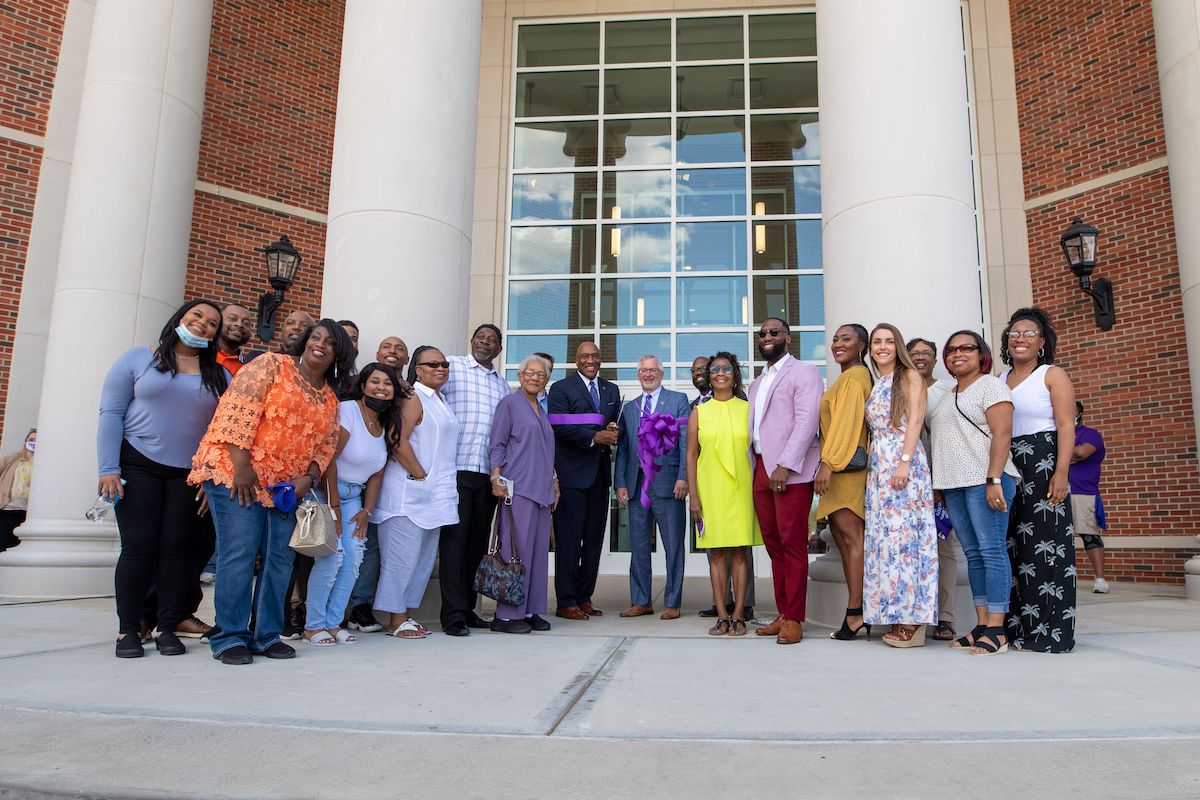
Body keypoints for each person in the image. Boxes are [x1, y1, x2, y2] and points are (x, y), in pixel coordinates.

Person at [189, 319, 351, 665]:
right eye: (315, 337)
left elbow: (325, 446)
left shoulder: (330, 399)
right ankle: (230, 636)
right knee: (240, 553)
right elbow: (235, 412)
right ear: (306, 341)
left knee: (280, 558)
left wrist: (308, 477)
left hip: (285, 489)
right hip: (236, 472)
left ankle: (265, 635)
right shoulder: (271, 365)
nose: (319, 344)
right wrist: (242, 467)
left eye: (330, 343)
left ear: (340, 354)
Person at [100, 300, 230, 659]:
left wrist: (211, 477)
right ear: (180, 320)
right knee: (138, 548)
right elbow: (111, 412)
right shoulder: (137, 359)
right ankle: (128, 629)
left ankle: (167, 626)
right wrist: (107, 468)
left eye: (211, 324)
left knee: (177, 551)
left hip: (189, 474)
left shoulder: (220, 376)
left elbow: (224, 433)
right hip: (136, 464)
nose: (203, 325)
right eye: (196, 317)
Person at [928, 331, 1020, 656]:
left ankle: (997, 628)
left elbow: (1003, 432)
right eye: (951, 350)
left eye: (966, 347)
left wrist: (995, 478)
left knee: (992, 550)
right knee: (974, 554)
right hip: (953, 485)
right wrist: (938, 488)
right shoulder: (946, 395)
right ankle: (982, 624)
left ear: (981, 353)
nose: (957, 354)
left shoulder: (991, 385)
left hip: (986, 480)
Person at [303, 363, 397, 646]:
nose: (381, 387)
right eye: (375, 381)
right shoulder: (349, 410)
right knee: (331, 559)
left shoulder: (384, 424)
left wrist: (367, 511)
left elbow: (378, 472)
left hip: (355, 496)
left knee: (354, 561)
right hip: (327, 492)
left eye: (388, 383)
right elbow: (328, 458)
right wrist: (334, 507)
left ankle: (332, 624)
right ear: (363, 384)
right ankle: (312, 626)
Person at [1000, 307, 1077, 653]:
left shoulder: (1052, 374)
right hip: (1008, 465)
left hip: (1044, 463)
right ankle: (1017, 629)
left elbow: (1065, 426)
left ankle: (1050, 633)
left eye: (1029, 333)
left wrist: (1061, 472)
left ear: (1042, 342)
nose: (1021, 339)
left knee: (1047, 549)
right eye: (1015, 333)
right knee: (1014, 546)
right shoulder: (999, 380)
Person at [373, 347, 460, 639]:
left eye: (445, 364)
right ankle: (396, 619)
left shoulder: (440, 399)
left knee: (421, 559)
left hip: (434, 494)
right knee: (402, 558)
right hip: (408, 492)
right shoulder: (413, 397)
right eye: (433, 363)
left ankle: (405, 616)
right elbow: (397, 440)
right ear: (418, 369)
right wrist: (420, 475)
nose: (441, 368)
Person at [862, 323, 938, 648]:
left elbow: (916, 419)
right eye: (877, 342)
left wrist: (905, 461)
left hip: (902, 464)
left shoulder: (909, 376)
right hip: (879, 468)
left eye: (889, 341)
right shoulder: (879, 382)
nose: (882, 347)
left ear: (899, 346)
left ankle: (913, 619)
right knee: (888, 542)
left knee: (908, 541)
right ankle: (895, 612)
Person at [747, 319, 822, 645]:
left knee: (792, 545)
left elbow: (807, 421)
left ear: (787, 338)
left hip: (789, 471)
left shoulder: (804, 372)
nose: (767, 337)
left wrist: (786, 465)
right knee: (774, 544)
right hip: (761, 468)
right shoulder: (755, 383)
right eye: (762, 333)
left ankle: (794, 618)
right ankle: (782, 612)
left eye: (773, 332)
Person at [438, 324, 510, 637]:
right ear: (472, 341)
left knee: (476, 546)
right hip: (455, 470)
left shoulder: (503, 386)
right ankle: (452, 615)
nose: (486, 342)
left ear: (499, 349)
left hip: (487, 474)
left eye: (492, 340)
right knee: (454, 544)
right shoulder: (451, 367)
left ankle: (468, 609)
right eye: (481, 337)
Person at [686, 352, 762, 636]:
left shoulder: (748, 409)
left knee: (740, 553)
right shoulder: (698, 412)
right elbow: (691, 457)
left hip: (742, 489)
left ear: (734, 374)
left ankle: (739, 614)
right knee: (716, 553)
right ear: (708, 374)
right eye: (714, 368)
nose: (720, 373)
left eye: (726, 368)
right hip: (710, 491)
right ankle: (721, 615)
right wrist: (694, 496)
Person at [344, 335, 413, 633]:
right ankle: (320, 612)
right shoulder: (351, 401)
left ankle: (361, 606)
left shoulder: (410, 394)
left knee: (369, 548)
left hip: (381, 480)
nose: (393, 352)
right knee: (341, 551)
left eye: (400, 349)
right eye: (388, 347)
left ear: (407, 360)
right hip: (345, 485)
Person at [548, 341, 620, 620]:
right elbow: (557, 425)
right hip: (571, 476)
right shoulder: (561, 389)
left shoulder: (610, 390)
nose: (590, 360)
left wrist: (615, 430)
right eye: (584, 356)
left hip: (600, 477)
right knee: (568, 541)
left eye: (595, 356)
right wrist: (593, 437)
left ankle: (584, 597)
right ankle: (566, 601)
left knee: (593, 541)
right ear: (576, 361)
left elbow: (615, 424)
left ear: (600, 360)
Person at [488, 355, 560, 633]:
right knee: (514, 552)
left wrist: (554, 481)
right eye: (529, 373)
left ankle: (529, 609)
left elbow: (545, 451)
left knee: (538, 553)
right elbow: (497, 443)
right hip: (517, 488)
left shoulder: (540, 408)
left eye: (541, 375)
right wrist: (496, 476)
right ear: (519, 377)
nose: (535, 378)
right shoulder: (509, 404)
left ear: (546, 380)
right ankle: (505, 616)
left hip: (542, 490)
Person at [614, 355, 690, 619]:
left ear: (661, 373)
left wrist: (684, 477)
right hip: (636, 487)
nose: (648, 374)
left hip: (669, 484)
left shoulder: (678, 400)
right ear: (638, 375)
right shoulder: (631, 407)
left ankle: (672, 602)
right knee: (638, 547)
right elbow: (623, 448)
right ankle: (641, 601)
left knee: (674, 547)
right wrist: (620, 483)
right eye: (643, 371)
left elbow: (685, 443)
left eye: (653, 370)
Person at [813, 324, 873, 641]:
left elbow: (846, 427)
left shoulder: (855, 377)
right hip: (837, 470)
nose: (838, 343)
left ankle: (855, 613)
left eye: (846, 339)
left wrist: (827, 463)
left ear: (861, 345)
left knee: (853, 541)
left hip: (844, 470)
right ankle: (859, 611)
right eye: (835, 339)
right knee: (846, 540)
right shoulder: (846, 376)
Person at [908, 337, 959, 641]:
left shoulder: (947, 390)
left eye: (927, 353)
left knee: (943, 548)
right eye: (915, 353)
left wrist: (939, 483)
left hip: (940, 480)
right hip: (907, 479)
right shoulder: (899, 388)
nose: (921, 358)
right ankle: (914, 614)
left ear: (935, 359)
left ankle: (946, 616)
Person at [1071, 401, 1110, 593]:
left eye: (1073, 412)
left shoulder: (1090, 434)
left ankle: (1100, 580)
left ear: (1080, 413)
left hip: (1083, 493)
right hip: (1056, 491)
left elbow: (1080, 452)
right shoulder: (1056, 434)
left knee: (1089, 535)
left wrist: (1060, 453)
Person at [0, 429, 36, 553]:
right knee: (3, 543)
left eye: (37, 440)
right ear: (25, 442)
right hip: (8, 509)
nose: (34, 443)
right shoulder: (13, 459)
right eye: (31, 440)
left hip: (28, 513)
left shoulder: (44, 462)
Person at [216, 304, 252, 376]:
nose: (239, 324)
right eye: (232, 318)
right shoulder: (199, 355)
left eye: (246, 323)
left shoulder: (249, 368)